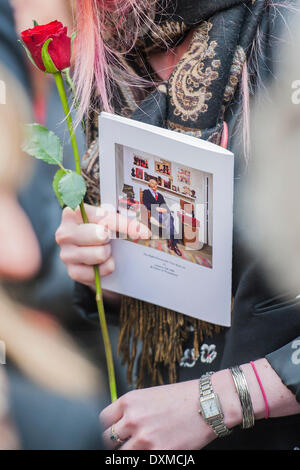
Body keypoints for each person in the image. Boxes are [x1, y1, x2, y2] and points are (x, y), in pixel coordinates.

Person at [56, 0, 300, 450]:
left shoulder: (288, 34)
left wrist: (215, 403)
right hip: (152, 425)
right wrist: (105, 265)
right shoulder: (112, 49)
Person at [143, 179, 182, 257]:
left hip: (163, 213)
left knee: (169, 217)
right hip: (154, 213)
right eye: (152, 184)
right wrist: (156, 208)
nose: (154, 186)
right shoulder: (146, 192)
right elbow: (145, 203)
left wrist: (165, 209)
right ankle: (173, 244)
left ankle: (171, 241)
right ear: (149, 185)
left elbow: (165, 205)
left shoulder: (160, 195)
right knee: (170, 219)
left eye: (155, 185)